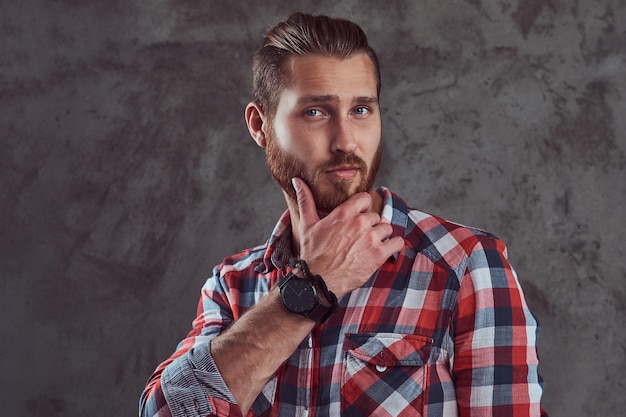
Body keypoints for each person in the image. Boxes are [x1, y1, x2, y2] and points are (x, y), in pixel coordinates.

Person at [139, 12, 547, 417]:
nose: (346, 141)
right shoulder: (233, 287)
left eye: (361, 110)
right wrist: (305, 290)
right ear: (259, 125)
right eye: (315, 112)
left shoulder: (464, 267)